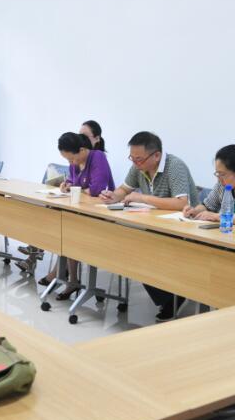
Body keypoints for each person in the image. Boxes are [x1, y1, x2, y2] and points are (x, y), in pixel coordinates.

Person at [100, 131, 199, 321]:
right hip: (155, 226)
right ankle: (169, 298)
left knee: (142, 251)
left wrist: (143, 197)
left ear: (157, 156)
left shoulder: (174, 166)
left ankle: (174, 297)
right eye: (132, 158)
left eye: (139, 159)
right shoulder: (139, 166)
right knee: (132, 249)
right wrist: (113, 196)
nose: (135, 163)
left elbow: (181, 203)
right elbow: (124, 189)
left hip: (184, 227)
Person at [22, 132, 116, 298]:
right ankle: (71, 279)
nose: (70, 163)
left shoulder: (97, 157)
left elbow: (97, 190)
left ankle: (68, 278)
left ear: (82, 150)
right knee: (63, 226)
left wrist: (79, 189)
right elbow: (74, 183)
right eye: (67, 160)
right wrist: (66, 185)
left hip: (101, 213)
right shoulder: (74, 163)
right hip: (80, 211)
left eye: (71, 158)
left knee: (69, 230)